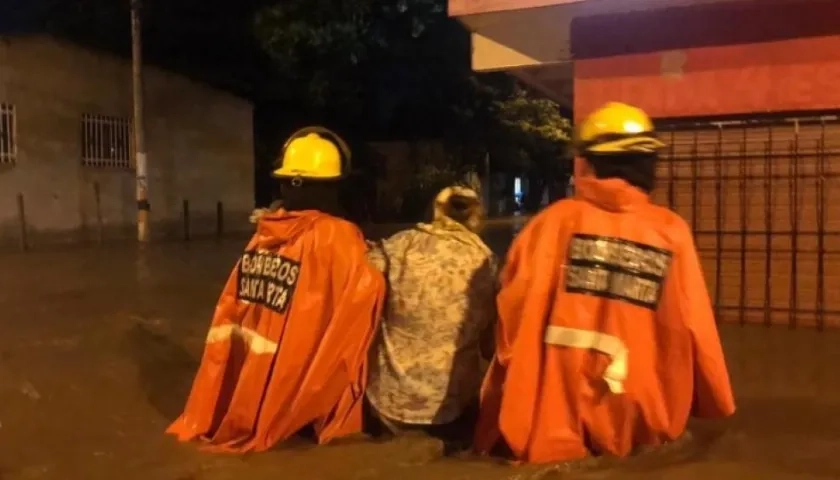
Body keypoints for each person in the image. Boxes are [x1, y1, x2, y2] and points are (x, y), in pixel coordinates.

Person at [474, 102, 736, 464]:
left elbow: (513, 309)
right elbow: (696, 324)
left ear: (588, 163)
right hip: (643, 393)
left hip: (557, 394)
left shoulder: (551, 223)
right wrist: (714, 397)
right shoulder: (670, 231)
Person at [167, 127, 385, 452]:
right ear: (335, 185)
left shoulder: (264, 234)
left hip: (255, 381)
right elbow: (355, 318)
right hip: (298, 389)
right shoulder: (338, 236)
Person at [365, 185, 498, 452]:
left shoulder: (396, 246)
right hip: (451, 411)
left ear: (434, 212)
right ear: (477, 217)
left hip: (387, 406)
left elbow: (356, 285)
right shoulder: (487, 262)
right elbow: (490, 346)